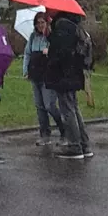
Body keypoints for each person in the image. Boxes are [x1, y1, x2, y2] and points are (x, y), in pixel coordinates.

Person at [45, 15, 93, 160]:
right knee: (74, 108)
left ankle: (74, 146)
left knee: (68, 111)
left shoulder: (62, 28)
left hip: (64, 77)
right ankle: (84, 144)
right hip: (75, 75)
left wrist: (50, 48)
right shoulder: (75, 28)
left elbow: (59, 54)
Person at [23, 12, 64, 145]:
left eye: (43, 22)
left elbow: (57, 53)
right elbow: (27, 54)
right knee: (39, 106)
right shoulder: (33, 37)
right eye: (38, 23)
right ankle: (45, 133)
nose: (40, 25)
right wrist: (25, 71)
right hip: (35, 75)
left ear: (47, 23)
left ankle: (64, 129)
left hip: (48, 76)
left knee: (49, 105)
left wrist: (49, 51)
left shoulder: (51, 37)